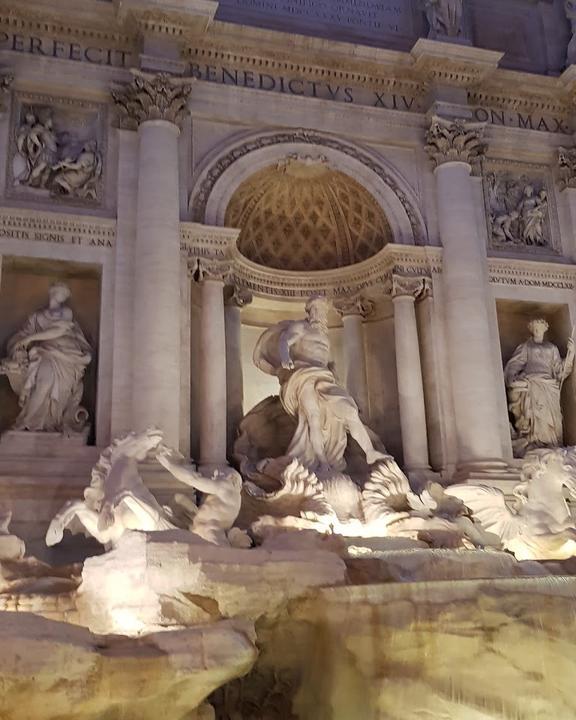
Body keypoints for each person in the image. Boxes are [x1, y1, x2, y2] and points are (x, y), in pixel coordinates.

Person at [253, 295, 387, 473]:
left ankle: (370, 452)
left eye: (322, 311)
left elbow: (329, 363)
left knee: (349, 410)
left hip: (325, 377)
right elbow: (285, 340)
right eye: (316, 310)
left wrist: (338, 382)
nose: (320, 314)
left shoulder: (324, 336)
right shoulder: (301, 327)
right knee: (313, 419)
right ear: (309, 312)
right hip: (303, 376)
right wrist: (285, 357)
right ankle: (322, 462)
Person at [0, 282, 92, 433]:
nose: (63, 295)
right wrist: (18, 346)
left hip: (68, 357)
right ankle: (26, 422)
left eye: (66, 293)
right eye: (62, 291)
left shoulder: (66, 312)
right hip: (45, 353)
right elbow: (21, 335)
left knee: (59, 391)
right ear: (52, 291)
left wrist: (29, 339)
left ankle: (52, 423)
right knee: (44, 382)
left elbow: (59, 330)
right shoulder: (37, 317)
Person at [504, 319, 574, 456]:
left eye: (540, 328)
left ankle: (552, 444)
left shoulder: (552, 348)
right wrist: (513, 378)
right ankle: (535, 443)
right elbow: (514, 365)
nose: (538, 331)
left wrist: (571, 353)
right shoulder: (526, 347)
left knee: (553, 418)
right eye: (535, 328)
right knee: (537, 414)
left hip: (549, 386)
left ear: (545, 329)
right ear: (532, 330)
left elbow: (561, 370)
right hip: (533, 384)